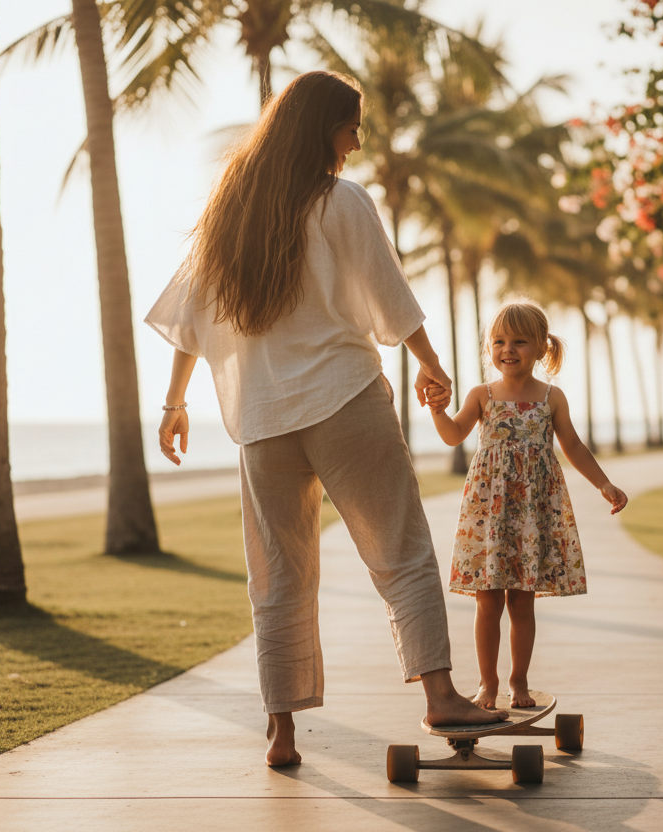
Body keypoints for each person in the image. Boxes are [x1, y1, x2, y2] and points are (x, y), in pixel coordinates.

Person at [144, 70, 504, 767]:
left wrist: (174, 404)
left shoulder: (229, 216)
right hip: (345, 402)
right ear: (321, 130)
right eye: (351, 126)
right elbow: (391, 297)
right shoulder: (342, 202)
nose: (358, 141)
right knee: (399, 550)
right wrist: (431, 363)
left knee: (276, 577)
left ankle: (281, 732)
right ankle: (439, 696)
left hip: (263, 421)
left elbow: (190, 322)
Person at [427, 301, 628, 709]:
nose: (508, 349)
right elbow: (452, 436)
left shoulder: (552, 398)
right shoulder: (481, 395)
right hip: (489, 512)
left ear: (540, 347)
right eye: (499, 341)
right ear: (490, 348)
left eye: (519, 341)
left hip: (532, 511)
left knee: (521, 600)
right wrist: (437, 410)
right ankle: (488, 684)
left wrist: (604, 484)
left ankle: (518, 682)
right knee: (487, 598)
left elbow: (572, 445)